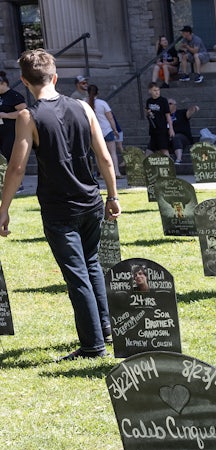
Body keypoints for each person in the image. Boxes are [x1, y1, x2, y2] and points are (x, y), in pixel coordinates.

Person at [0, 49, 121, 360]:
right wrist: (113, 195)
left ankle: (94, 346)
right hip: (91, 201)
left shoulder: (28, 116)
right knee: (91, 264)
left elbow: (16, 168)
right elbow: (104, 157)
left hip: (59, 208)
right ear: (55, 77)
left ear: (25, 82)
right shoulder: (83, 107)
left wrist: (3, 209)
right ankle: (106, 328)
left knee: (77, 274)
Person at [87, 84, 121, 179]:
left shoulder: (86, 103)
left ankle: (102, 173)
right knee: (112, 152)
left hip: (95, 132)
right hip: (107, 130)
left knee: (98, 155)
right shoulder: (102, 103)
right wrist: (115, 130)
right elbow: (110, 118)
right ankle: (116, 172)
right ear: (98, 92)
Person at [0, 71, 27, 162]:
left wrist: (6, 115)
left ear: (3, 83)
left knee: (8, 156)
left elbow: (24, 112)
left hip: (10, 131)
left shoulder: (14, 96)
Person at [145, 82, 173, 156]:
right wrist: (148, 113)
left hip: (162, 129)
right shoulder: (149, 101)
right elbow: (147, 113)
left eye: (158, 90)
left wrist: (171, 128)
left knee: (164, 149)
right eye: (154, 90)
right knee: (149, 150)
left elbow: (168, 115)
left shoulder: (163, 100)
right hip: (153, 129)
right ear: (150, 91)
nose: (157, 92)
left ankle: (169, 165)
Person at [168, 98, 199, 164]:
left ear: (175, 105)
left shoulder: (181, 113)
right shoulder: (165, 116)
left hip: (183, 137)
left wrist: (194, 108)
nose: (168, 105)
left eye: (170, 104)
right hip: (169, 137)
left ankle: (179, 159)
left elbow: (189, 113)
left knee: (176, 137)